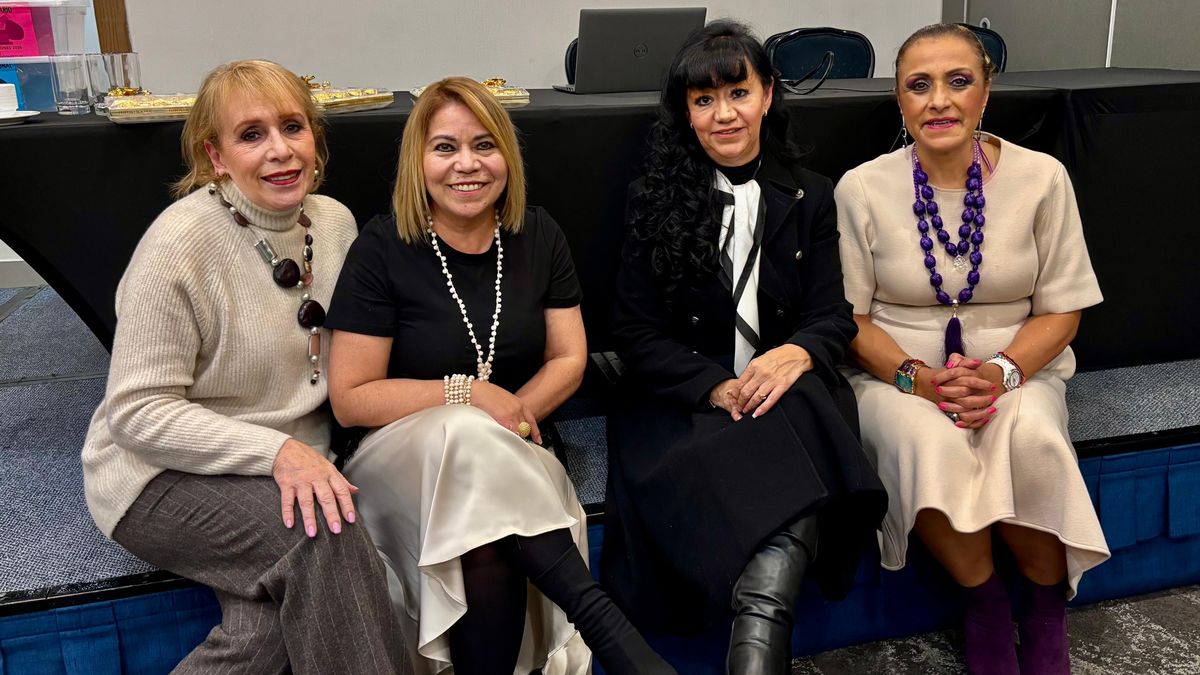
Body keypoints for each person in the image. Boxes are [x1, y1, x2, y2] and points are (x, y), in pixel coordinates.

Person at [324, 76, 673, 675]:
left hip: (514, 447)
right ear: (418, 160)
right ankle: (610, 630)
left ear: (507, 157)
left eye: (485, 146)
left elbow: (569, 358)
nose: (467, 164)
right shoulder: (383, 247)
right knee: (462, 431)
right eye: (445, 148)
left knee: (488, 536)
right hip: (399, 464)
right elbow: (352, 399)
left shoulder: (538, 234)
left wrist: (510, 417)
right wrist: (472, 397)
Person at [80, 60, 409, 673]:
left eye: (293, 126)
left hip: (288, 466)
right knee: (323, 538)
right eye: (251, 135)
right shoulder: (179, 245)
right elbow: (136, 413)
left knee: (264, 635)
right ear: (216, 155)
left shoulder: (334, 223)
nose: (280, 151)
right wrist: (277, 455)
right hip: (160, 473)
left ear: (316, 137)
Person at [603, 21, 888, 674]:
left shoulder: (813, 195)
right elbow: (635, 332)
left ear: (766, 96)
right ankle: (757, 656)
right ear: (686, 112)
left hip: (786, 398)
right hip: (685, 408)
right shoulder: (651, 199)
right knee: (789, 468)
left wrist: (798, 353)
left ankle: (753, 657)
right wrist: (712, 384)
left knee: (804, 412)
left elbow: (832, 314)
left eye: (737, 92)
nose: (723, 113)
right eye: (704, 100)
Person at [834, 23, 1111, 675]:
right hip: (895, 376)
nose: (938, 100)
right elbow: (848, 320)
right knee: (924, 444)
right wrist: (919, 380)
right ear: (900, 103)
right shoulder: (861, 189)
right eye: (918, 85)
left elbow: (1063, 308)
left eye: (958, 82)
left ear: (986, 94)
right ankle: (985, 603)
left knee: (1034, 436)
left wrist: (1002, 370)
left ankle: (1044, 610)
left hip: (1017, 366)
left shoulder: (1043, 178)